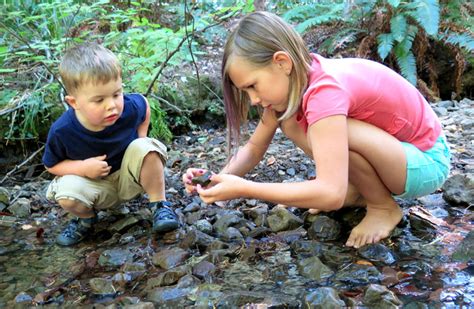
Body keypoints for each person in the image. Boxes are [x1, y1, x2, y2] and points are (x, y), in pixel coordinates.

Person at [183, 12, 450, 248]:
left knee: (321, 132)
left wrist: (244, 188)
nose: (253, 99)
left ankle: (382, 206)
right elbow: (253, 149)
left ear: (282, 63)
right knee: (292, 121)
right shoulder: (292, 87)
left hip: (425, 160)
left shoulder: (324, 93)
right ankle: (360, 192)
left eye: (253, 86)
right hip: (396, 154)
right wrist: (219, 178)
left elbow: (329, 195)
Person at [43, 42, 179, 246]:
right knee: (66, 193)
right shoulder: (63, 130)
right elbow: (51, 165)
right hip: (95, 186)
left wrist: (141, 136)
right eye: (99, 100)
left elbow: (145, 105)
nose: (112, 105)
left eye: (116, 94)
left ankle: (160, 205)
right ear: (74, 102)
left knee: (146, 147)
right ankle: (86, 218)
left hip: (130, 178)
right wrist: (82, 168)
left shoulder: (129, 107)